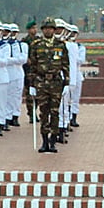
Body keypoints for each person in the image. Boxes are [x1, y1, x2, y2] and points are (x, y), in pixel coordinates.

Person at [28, 17, 69, 152]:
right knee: (44, 112)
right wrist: (32, 85)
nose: (48, 30)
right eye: (46, 28)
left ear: (54, 30)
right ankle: (44, 141)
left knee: (55, 112)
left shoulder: (60, 44)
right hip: (41, 81)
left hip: (56, 82)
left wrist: (66, 83)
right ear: (43, 30)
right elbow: (32, 66)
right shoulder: (36, 44)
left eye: (50, 28)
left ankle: (53, 141)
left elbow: (65, 65)